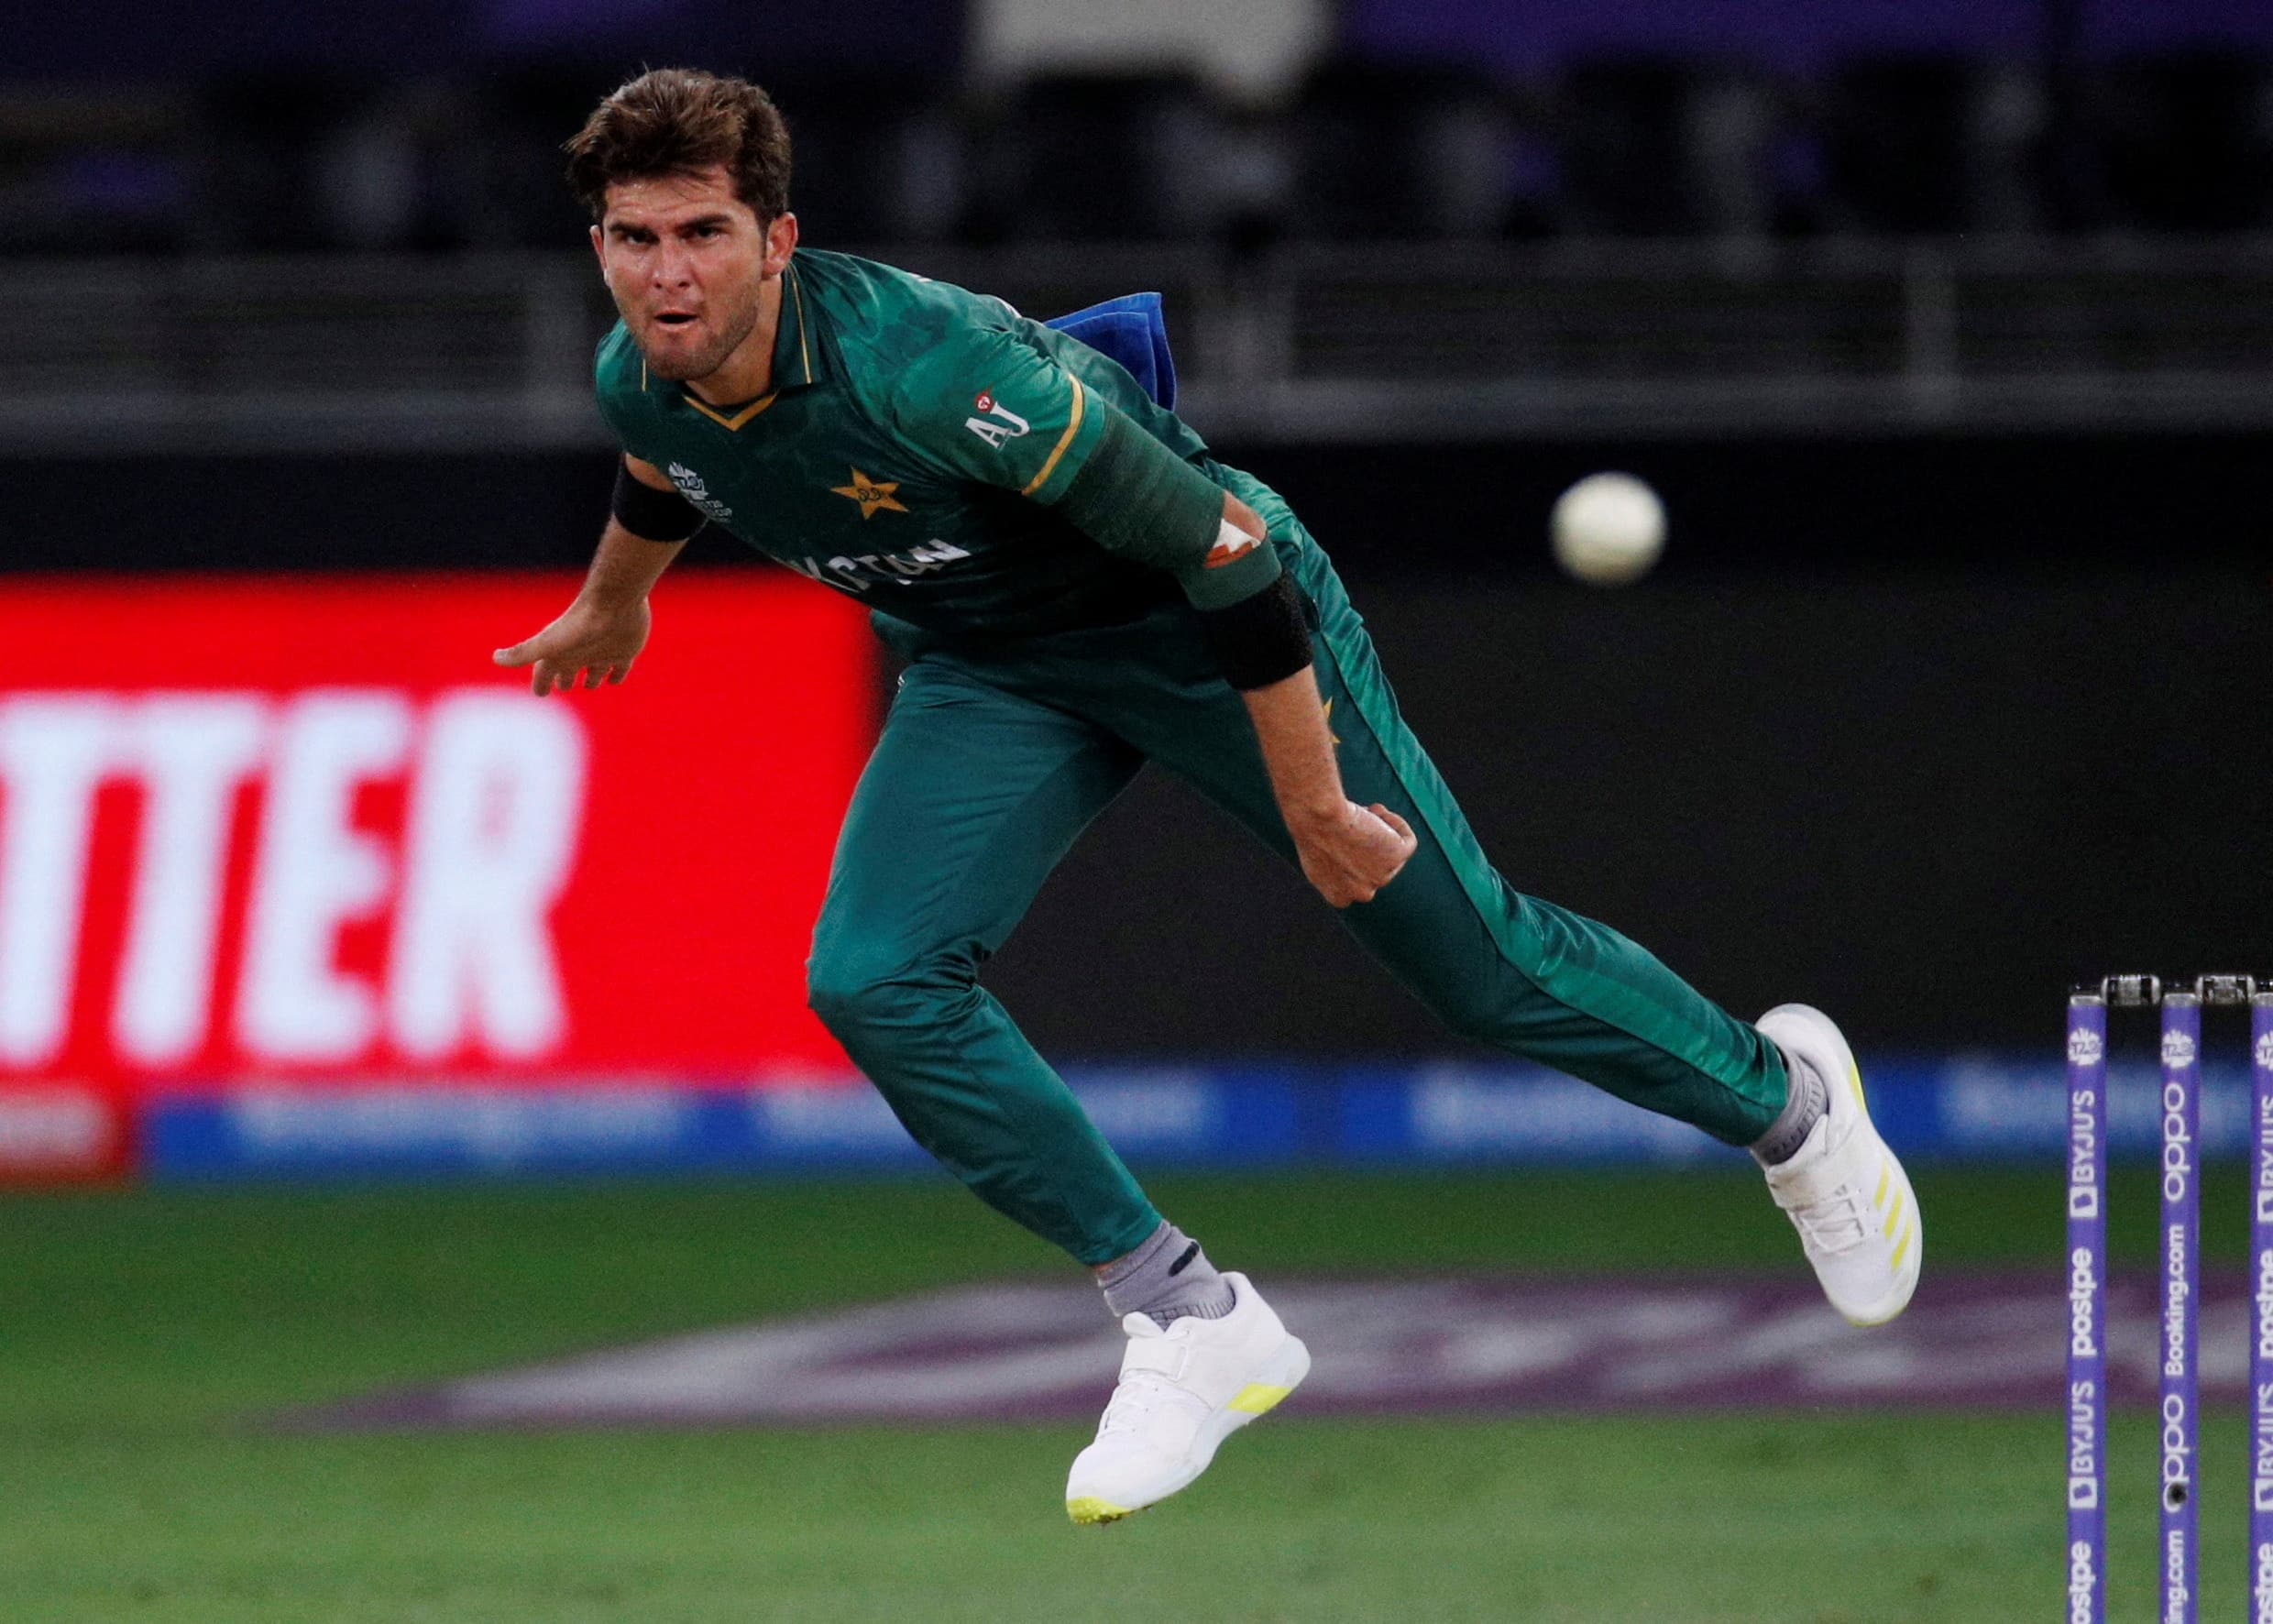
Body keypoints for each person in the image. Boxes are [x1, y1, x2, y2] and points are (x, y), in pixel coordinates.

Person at [496, 68, 1922, 1526]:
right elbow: (667, 460)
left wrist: (1315, 808)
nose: (669, 276)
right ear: (600, 245)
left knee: (1478, 968)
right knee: (874, 980)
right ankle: (1186, 1315)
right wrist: (615, 600)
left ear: (778, 240)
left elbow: (1225, 554)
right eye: (635, 239)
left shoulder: (926, 370)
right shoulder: (635, 370)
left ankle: (1791, 1110)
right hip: (995, 665)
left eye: (704, 234)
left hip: (1188, 620)